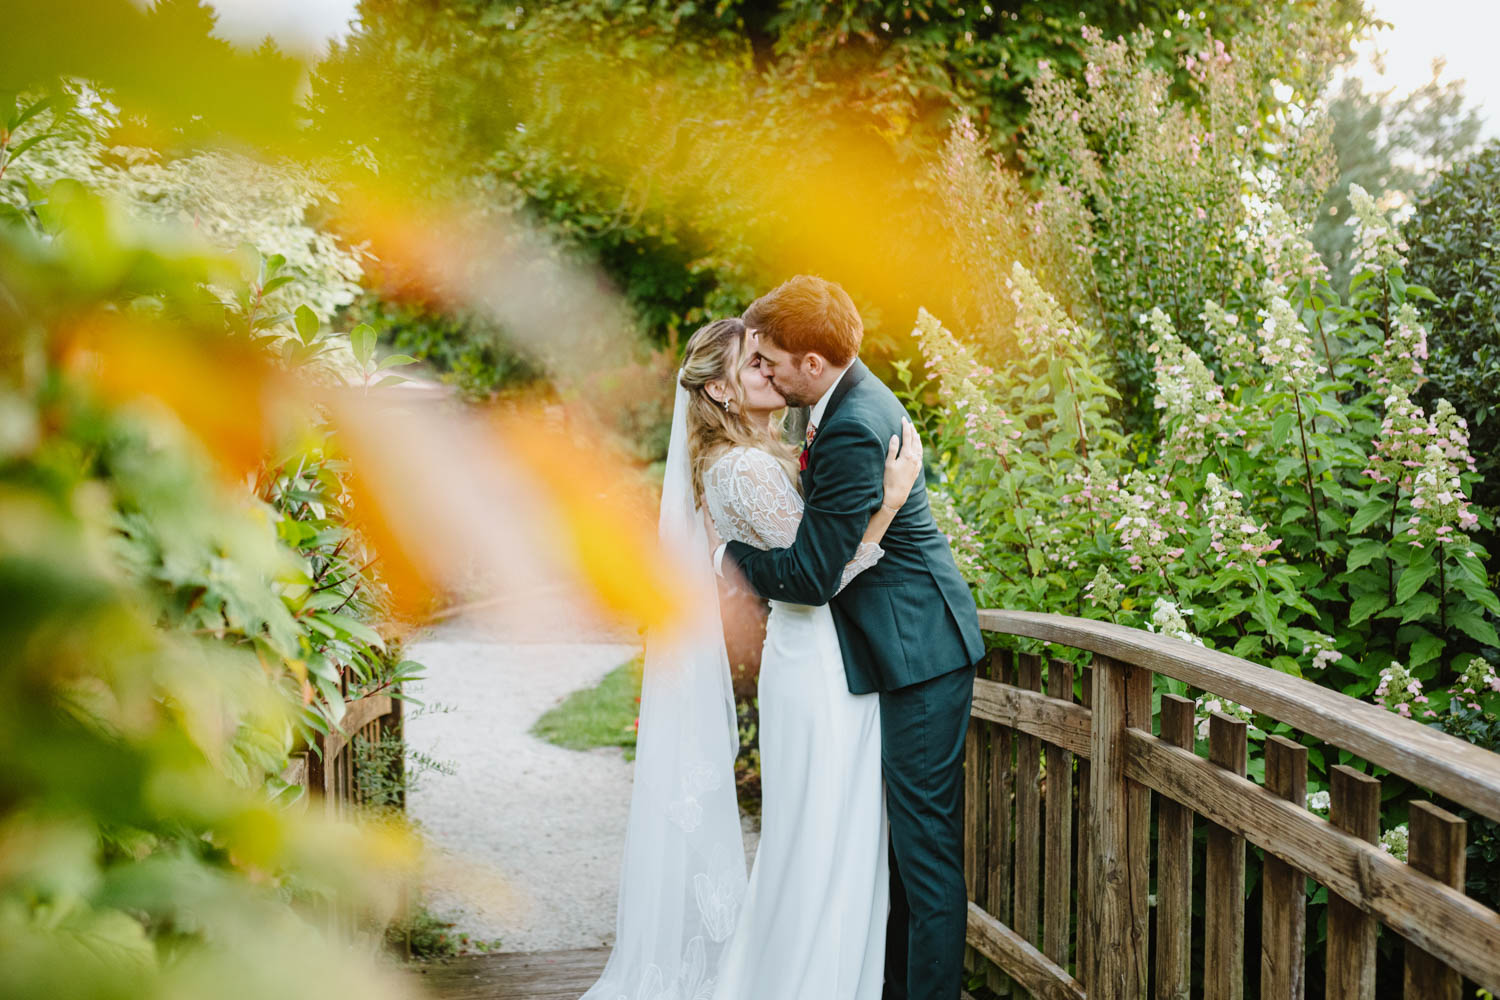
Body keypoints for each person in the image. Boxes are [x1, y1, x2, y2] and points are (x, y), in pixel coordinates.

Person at [581, 315, 925, 1000]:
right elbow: (821, 573)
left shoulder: (762, 455)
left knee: (828, 833)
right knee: (821, 838)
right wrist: (889, 503)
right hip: (817, 660)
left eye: (769, 363)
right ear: (718, 390)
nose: (770, 372)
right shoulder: (742, 468)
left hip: (817, 654)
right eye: (754, 366)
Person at [720, 276, 984, 1000]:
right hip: (893, 648)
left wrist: (731, 555)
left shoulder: (852, 426)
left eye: (772, 360)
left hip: (919, 653)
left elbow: (809, 576)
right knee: (900, 848)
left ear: (813, 362)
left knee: (924, 849)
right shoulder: (836, 406)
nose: (764, 372)